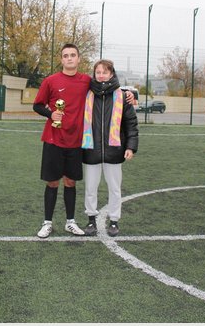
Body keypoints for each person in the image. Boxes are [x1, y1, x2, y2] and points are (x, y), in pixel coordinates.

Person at [32, 44, 135, 238]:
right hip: (53, 139)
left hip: (76, 142)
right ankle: (47, 223)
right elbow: (37, 105)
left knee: (70, 182)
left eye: (73, 55)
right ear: (61, 59)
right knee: (52, 182)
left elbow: (107, 86)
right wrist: (50, 114)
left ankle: (70, 222)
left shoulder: (87, 81)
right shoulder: (50, 81)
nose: (69, 58)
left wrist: (129, 93)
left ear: (79, 59)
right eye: (65, 56)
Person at [82, 59, 138, 237]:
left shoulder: (123, 96)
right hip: (91, 150)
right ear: (94, 74)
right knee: (90, 188)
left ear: (111, 74)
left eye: (104, 72)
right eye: (98, 72)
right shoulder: (86, 94)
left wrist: (131, 147)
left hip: (114, 151)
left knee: (114, 188)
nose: (101, 75)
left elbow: (131, 124)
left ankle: (114, 221)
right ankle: (91, 220)